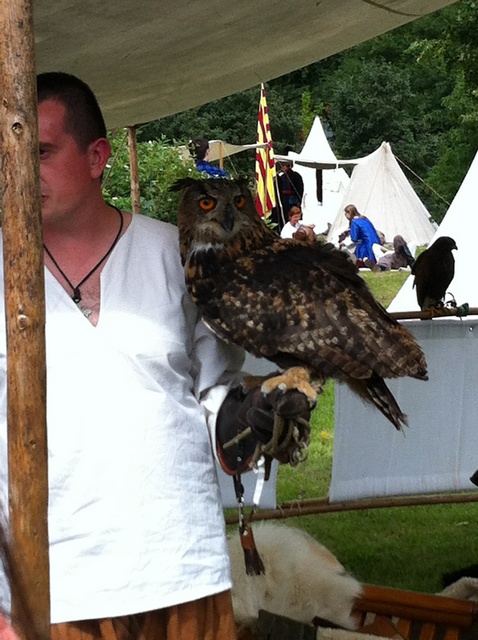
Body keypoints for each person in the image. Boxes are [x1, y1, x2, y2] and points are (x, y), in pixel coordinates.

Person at [0, 73, 312, 639]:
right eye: (12, 154)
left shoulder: (178, 255)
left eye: (41, 152)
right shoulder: (2, 273)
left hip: (178, 571)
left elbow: (215, 393)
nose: (22, 169)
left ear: (97, 157)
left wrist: (244, 419)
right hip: (51, 587)